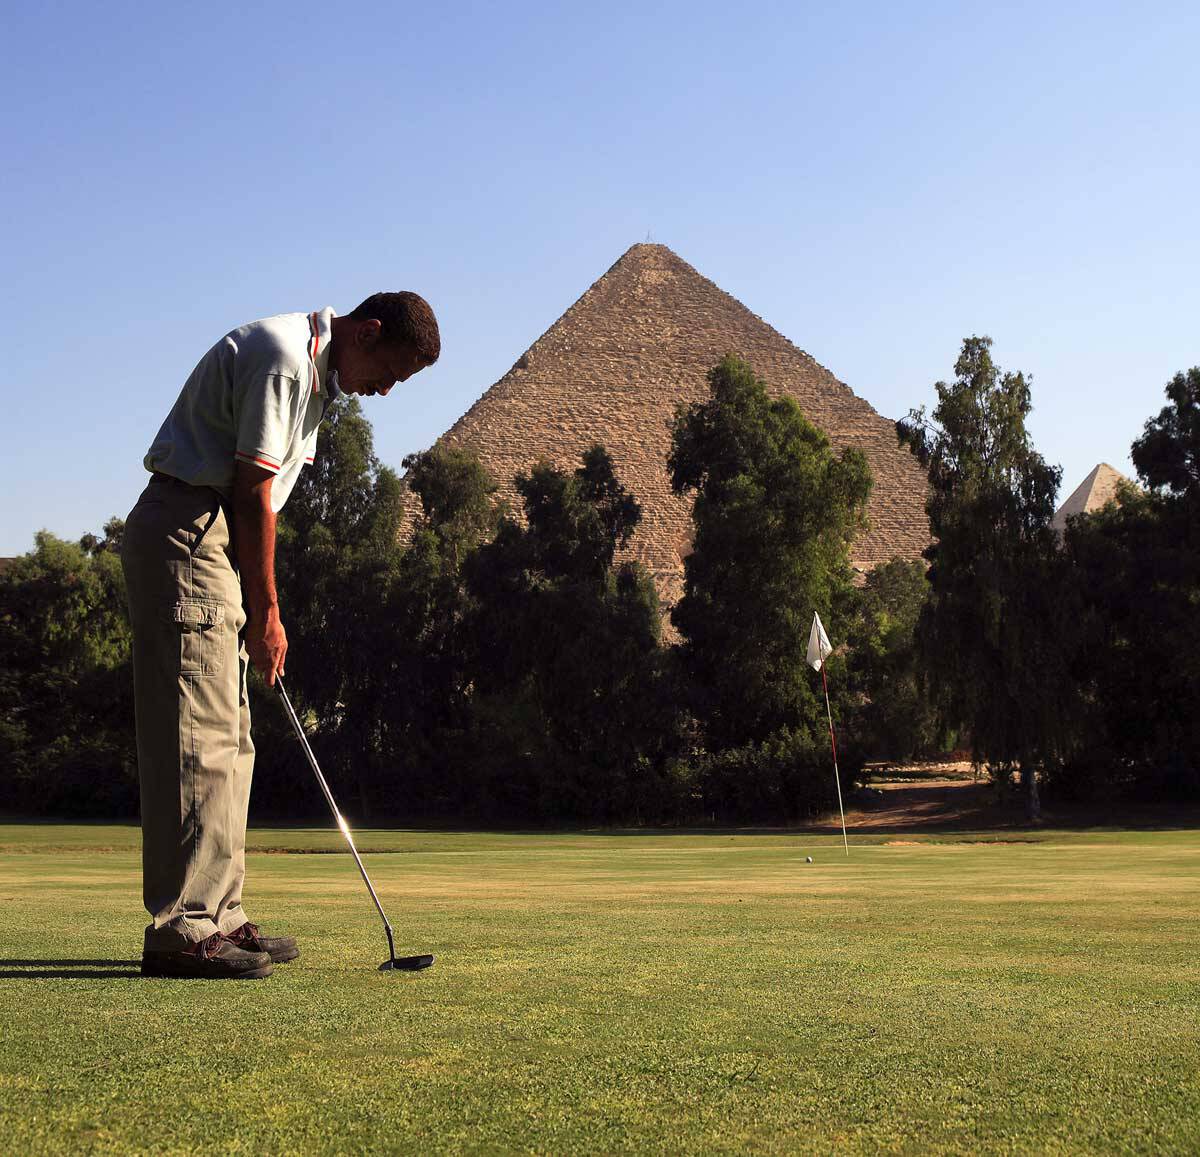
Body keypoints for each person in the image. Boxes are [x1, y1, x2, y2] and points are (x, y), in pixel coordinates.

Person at [121, 293, 439, 979]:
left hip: (212, 538)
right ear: (367, 332)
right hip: (188, 529)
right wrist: (268, 611)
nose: (385, 390)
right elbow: (253, 491)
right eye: (390, 373)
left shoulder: (316, 380)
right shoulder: (285, 359)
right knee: (197, 735)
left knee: (232, 737)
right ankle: (183, 926)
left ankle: (220, 912)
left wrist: (256, 598)